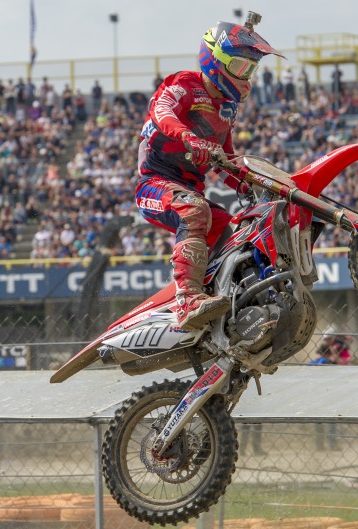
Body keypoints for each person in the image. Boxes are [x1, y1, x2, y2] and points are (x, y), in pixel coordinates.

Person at [134, 19, 281, 329]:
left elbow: (224, 160)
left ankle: (230, 307)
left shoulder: (227, 107)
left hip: (190, 190)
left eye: (250, 69)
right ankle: (186, 301)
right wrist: (188, 137)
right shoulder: (184, 84)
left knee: (234, 231)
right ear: (215, 60)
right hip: (155, 185)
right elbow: (161, 112)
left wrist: (252, 183)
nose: (245, 75)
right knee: (194, 210)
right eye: (240, 66)